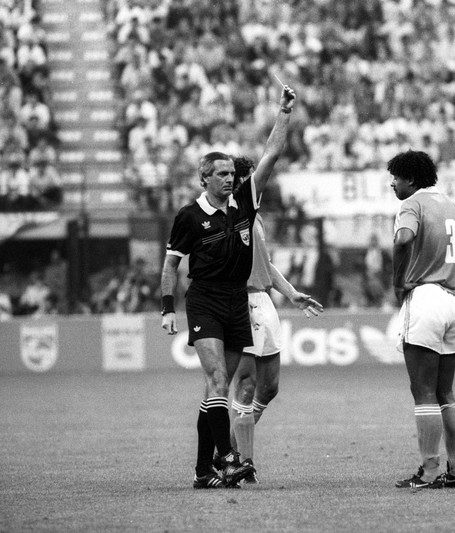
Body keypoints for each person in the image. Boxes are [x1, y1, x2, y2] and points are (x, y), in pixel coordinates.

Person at [160, 83, 296, 489]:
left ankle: (204, 472)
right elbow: (170, 265)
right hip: (203, 300)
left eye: (232, 174)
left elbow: (271, 153)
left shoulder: (244, 203)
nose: (229, 179)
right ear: (204, 178)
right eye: (221, 174)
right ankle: (230, 458)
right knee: (219, 380)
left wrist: (284, 113)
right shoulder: (188, 217)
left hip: (238, 301)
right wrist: (168, 307)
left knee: (214, 393)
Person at [221, 155, 324, 484]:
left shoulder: (255, 218)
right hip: (241, 301)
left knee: (270, 386)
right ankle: (241, 461)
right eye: (250, 178)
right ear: (237, 183)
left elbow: (265, 263)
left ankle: (229, 451)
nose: (258, 183)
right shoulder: (229, 216)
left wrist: (291, 293)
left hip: (265, 302)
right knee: (247, 385)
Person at [389, 150, 455, 490]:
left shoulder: (412, 204)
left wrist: (399, 280)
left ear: (411, 180)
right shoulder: (452, 207)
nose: (393, 183)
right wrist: (451, 266)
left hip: (427, 298)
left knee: (423, 391)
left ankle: (429, 471)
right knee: (445, 390)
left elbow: (403, 238)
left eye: (396, 178)